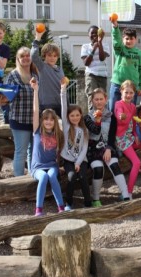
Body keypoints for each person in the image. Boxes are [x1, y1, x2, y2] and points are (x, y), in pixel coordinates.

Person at [84, 88, 130, 205]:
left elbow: (111, 134)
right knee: (98, 168)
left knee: (114, 165)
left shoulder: (111, 116)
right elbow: (95, 130)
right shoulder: (88, 117)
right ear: (92, 101)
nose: (99, 102)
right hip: (94, 149)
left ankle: (126, 195)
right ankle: (96, 198)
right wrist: (98, 121)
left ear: (106, 100)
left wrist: (109, 148)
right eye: (96, 99)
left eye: (101, 99)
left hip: (108, 146)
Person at [30, 78, 65, 216]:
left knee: (51, 175)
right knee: (43, 177)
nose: (48, 121)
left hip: (52, 165)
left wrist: (62, 91)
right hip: (37, 166)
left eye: (51, 119)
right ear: (42, 120)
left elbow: (60, 152)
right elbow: (35, 110)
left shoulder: (58, 133)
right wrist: (36, 90)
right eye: (46, 119)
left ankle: (61, 207)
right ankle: (39, 209)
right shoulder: (37, 131)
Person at [5, 46, 37, 176]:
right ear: (18, 59)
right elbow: (7, 97)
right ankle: (18, 181)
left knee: (33, 151)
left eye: (27, 55)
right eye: (22, 56)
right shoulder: (13, 75)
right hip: (19, 119)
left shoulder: (35, 75)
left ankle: (31, 177)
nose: (25, 58)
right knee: (21, 152)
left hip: (34, 120)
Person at [60, 79, 91, 210]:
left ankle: (88, 203)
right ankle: (69, 202)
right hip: (68, 159)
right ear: (68, 117)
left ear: (81, 116)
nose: (75, 117)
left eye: (77, 115)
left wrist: (78, 162)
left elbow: (84, 148)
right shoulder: (66, 127)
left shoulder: (84, 130)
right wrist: (63, 91)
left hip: (81, 159)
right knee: (71, 177)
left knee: (83, 177)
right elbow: (63, 107)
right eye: (72, 115)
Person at [109, 16, 141, 111]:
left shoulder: (140, 53)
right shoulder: (120, 49)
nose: (129, 41)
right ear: (123, 39)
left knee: (129, 112)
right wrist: (115, 26)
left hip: (132, 87)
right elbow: (116, 40)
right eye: (127, 38)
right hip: (117, 84)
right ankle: (113, 126)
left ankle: (129, 127)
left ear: (136, 39)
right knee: (113, 111)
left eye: (131, 38)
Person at [114, 80, 141, 199]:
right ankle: (128, 192)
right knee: (137, 162)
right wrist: (121, 116)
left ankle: (123, 151)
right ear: (121, 92)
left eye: (131, 93)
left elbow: (133, 122)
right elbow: (120, 115)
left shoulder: (133, 106)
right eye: (126, 92)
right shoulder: (118, 104)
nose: (129, 95)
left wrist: (135, 134)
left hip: (129, 136)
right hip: (121, 138)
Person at [31, 29, 64, 117]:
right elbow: (34, 56)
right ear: (44, 56)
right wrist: (37, 38)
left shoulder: (60, 69)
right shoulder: (42, 66)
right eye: (49, 55)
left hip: (60, 105)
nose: (52, 58)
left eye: (55, 56)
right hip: (46, 105)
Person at [81, 25, 110, 110]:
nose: (94, 35)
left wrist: (100, 43)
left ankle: (101, 119)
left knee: (101, 98)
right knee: (92, 96)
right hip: (91, 74)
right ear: (88, 35)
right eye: (92, 33)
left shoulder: (105, 45)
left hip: (102, 75)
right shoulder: (85, 46)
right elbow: (86, 63)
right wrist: (94, 49)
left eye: (96, 33)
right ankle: (91, 119)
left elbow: (102, 58)